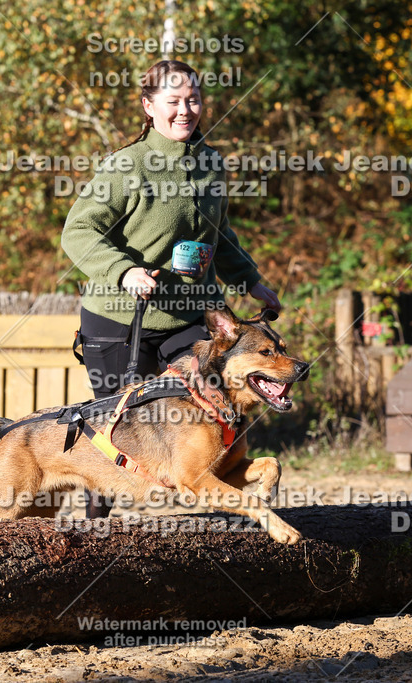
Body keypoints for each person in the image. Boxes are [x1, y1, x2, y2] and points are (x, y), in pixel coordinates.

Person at [61, 60, 280, 518]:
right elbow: (78, 232)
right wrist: (123, 271)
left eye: (193, 100)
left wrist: (250, 280)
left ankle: (224, 506)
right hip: (121, 319)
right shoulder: (127, 165)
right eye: (174, 101)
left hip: (189, 319)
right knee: (117, 431)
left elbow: (219, 236)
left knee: (215, 406)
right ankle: (94, 532)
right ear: (149, 105)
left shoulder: (210, 164)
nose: (186, 110)